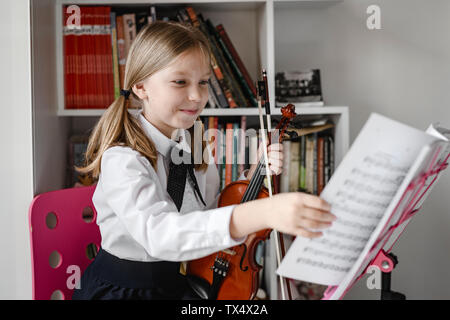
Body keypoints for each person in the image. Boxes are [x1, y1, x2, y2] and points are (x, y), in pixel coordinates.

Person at [72, 21, 335, 300]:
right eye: (180, 82)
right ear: (140, 86)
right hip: (124, 292)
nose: (197, 96)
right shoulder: (123, 159)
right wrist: (264, 213)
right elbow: (160, 235)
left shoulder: (193, 141)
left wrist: (254, 174)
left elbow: (206, 215)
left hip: (177, 282)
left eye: (203, 82)